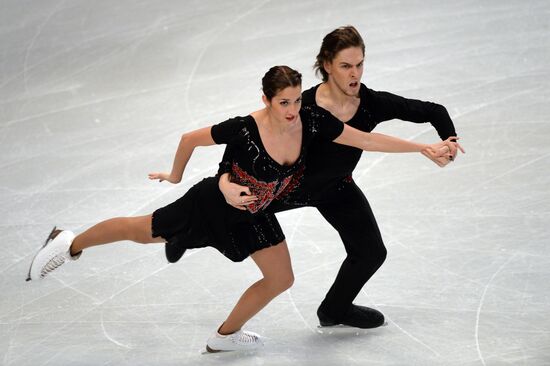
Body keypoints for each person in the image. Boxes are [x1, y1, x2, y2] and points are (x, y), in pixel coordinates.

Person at [27, 65, 456, 352]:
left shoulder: (313, 120)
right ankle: (69, 242)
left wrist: (423, 148)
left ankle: (224, 338)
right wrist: (184, 178)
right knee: (143, 230)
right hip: (214, 204)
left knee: (281, 278)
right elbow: (190, 139)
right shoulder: (245, 128)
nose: (292, 111)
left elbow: (365, 139)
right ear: (268, 100)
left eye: (295, 101)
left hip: (255, 213)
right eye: (283, 102)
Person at [216, 26, 465, 329]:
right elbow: (249, 133)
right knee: (216, 215)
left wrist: (449, 142)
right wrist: (226, 177)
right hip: (286, 187)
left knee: (371, 252)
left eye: (359, 64)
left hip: (336, 187)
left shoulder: (372, 103)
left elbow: (432, 110)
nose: (355, 74)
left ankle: (335, 310)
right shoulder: (301, 106)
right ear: (326, 65)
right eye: (346, 66)